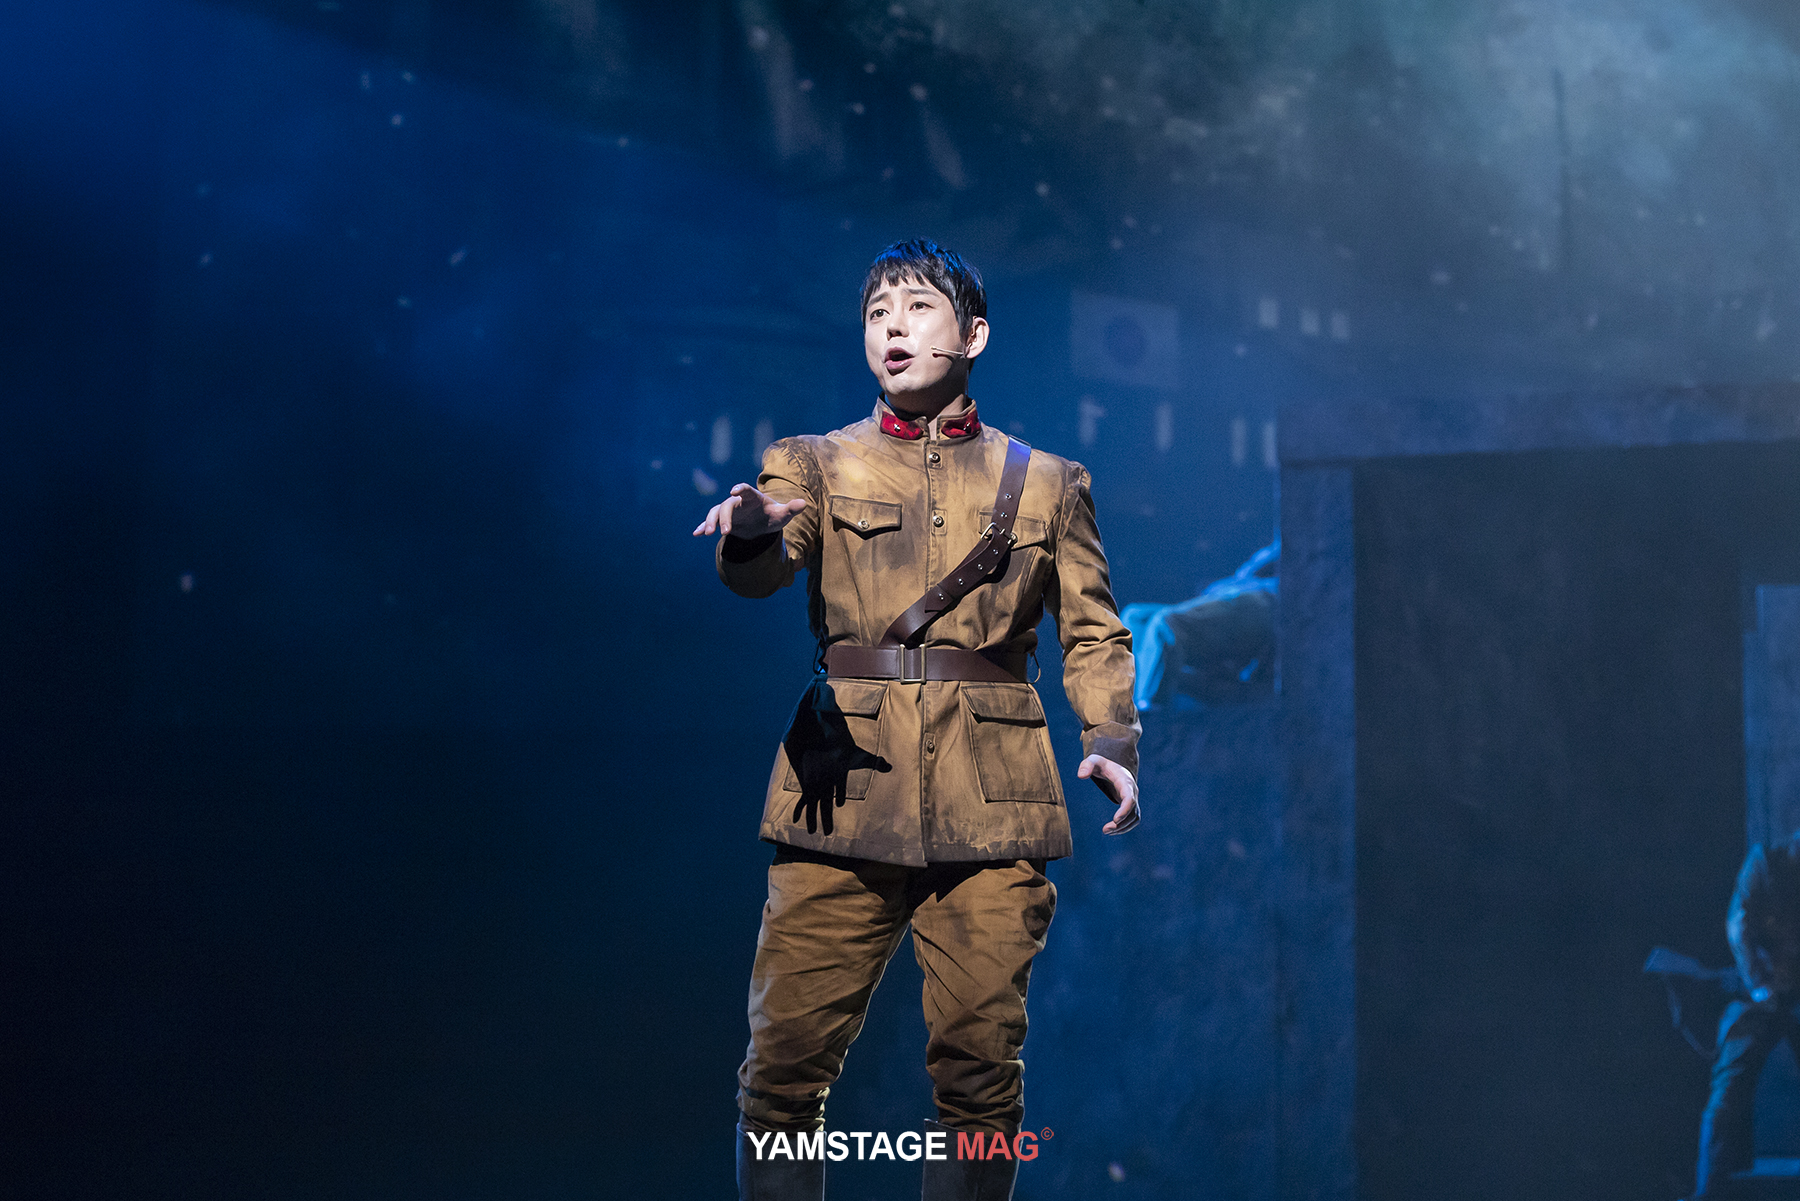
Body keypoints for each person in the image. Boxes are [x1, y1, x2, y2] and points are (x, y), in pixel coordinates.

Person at [693, 238, 1142, 1201]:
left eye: (917, 307)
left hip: (995, 799)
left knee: (981, 1080)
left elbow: (1095, 629)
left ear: (973, 334)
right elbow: (766, 561)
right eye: (876, 313)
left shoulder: (1050, 481)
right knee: (782, 1072)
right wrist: (752, 531)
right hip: (840, 789)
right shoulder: (812, 462)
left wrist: (1110, 740)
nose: (892, 326)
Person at [1693, 830, 1800, 1197]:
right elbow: (1739, 924)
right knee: (1730, 1088)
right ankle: (1710, 1190)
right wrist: (1758, 983)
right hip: (1761, 990)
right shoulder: (1765, 863)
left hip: (1796, 990)